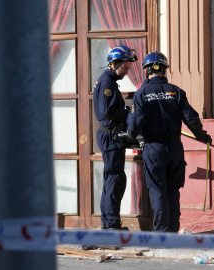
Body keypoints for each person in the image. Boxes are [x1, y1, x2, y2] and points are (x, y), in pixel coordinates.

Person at [126, 51, 212, 232]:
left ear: (146, 70)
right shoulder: (176, 92)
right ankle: (173, 230)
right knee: (173, 190)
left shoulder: (142, 94)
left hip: (154, 149)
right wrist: (203, 136)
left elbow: (134, 127)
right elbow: (192, 119)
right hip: (175, 148)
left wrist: (131, 134)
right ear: (165, 70)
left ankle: (162, 234)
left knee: (158, 191)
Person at [93, 44, 137, 230]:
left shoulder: (109, 81)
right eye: (125, 67)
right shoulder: (107, 83)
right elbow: (108, 111)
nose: (127, 71)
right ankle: (111, 224)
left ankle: (107, 222)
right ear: (113, 63)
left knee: (112, 178)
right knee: (115, 179)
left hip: (110, 135)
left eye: (128, 68)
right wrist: (128, 113)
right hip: (110, 136)